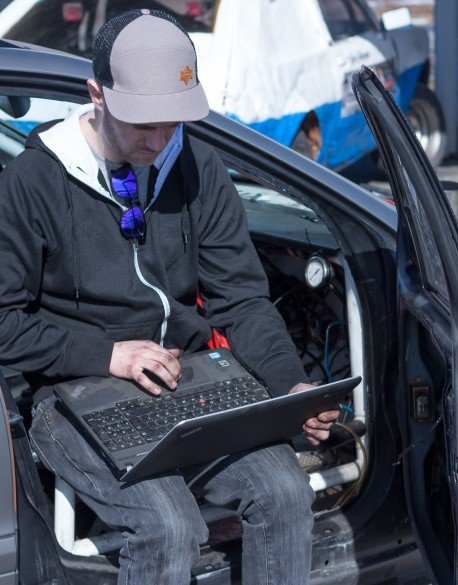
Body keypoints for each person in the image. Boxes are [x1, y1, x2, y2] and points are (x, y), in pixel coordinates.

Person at [0, 9, 339, 585]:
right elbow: (5, 322)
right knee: (167, 525)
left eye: (172, 124)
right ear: (96, 95)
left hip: (187, 383)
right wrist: (109, 355)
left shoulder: (198, 167)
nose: (159, 142)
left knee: (285, 492)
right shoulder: (33, 182)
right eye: (143, 126)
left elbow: (243, 301)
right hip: (71, 390)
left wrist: (292, 386)